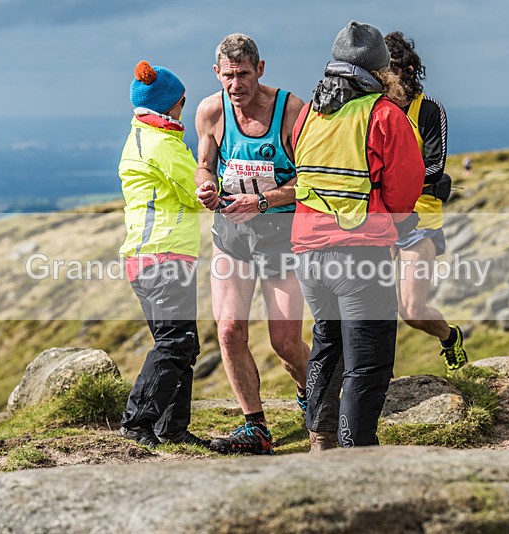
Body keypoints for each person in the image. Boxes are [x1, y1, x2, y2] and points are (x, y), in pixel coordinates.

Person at [292, 21, 425, 449]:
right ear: (378, 68)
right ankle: (357, 453)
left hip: (307, 254)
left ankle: (320, 441)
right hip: (359, 256)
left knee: (327, 345)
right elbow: (405, 193)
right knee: (368, 360)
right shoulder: (384, 114)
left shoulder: (309, 115)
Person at [194, 33, 309, 455]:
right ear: (216, 74)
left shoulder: (292, 111)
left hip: (281, 237)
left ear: (261, 69)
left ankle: (309, 391)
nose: (235, 85)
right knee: (228, 331)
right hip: (231, 238)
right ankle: (255, 426)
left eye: (243, 74)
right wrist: (206, 189)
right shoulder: (211, 111)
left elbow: (309, 181)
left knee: (285, 343)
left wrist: (262, 199)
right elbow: (204, 166)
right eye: (227, 76)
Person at [117, 60, 210, 449]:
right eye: (182, 101)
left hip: (147, 260)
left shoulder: (140, 137)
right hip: (165, 257)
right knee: (177, 342)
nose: (184, 108)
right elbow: (199, 193)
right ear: (170, 104)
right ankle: (137, 422)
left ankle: (172, 429)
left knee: (180, 343)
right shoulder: (164, 145)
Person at [384, 31, 469, 375]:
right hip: (380, 221)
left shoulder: (430, 110)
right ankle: (378, 379)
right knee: (375, 310)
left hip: (421, 222)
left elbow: (435, 167)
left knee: (412, 311)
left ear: (406, 70)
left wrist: (391, 183)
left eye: (388, 72)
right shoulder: (376, 110)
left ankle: (450, 338)